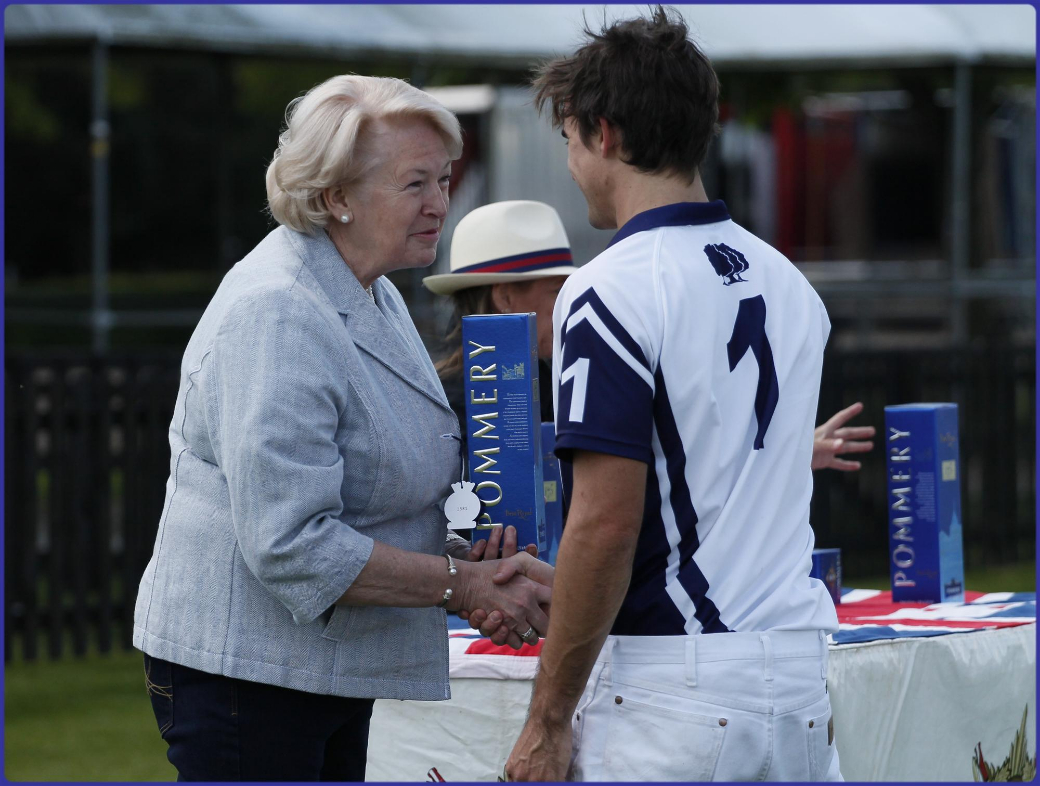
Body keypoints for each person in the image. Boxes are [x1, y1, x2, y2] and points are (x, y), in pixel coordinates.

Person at [132, 74, 552, 782]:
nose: (441, 205)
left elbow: (370, 489)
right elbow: (292, 543)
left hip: (315, 672)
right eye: (416, 183)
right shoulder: (280, 310)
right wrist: (462, 585)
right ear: (336, 198)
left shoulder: (371, 289)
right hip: (250, 680)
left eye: (445, 179)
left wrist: (466, 554)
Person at [491, 8, 846, 781]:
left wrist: (548, 720)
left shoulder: (607, 288)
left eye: (569, 140)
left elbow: (606, 523)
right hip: (800, 673)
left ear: (603, 133)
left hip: (679, 689)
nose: (572, 162)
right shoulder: (791, 283)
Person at [423, 200, 578, 433]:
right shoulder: (446, 409)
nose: (568, 305)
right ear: (504, 298)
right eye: (557, 291)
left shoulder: (554, 380)